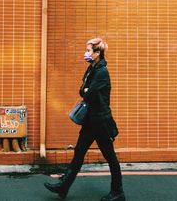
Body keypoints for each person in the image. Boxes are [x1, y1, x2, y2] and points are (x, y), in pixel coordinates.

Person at [44, 38, 125, 201]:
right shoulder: (91, 69)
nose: (86, 53)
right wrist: (86, 90)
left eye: (89, 51)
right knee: (79, 152)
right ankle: (63, 186)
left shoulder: (102, 72)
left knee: (110, 157)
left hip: (101, 121)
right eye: (86, 50)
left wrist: (87, 90)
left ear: (97, 54)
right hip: (91, 121)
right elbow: (83, 91)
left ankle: (118, 192)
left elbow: (88, 94)